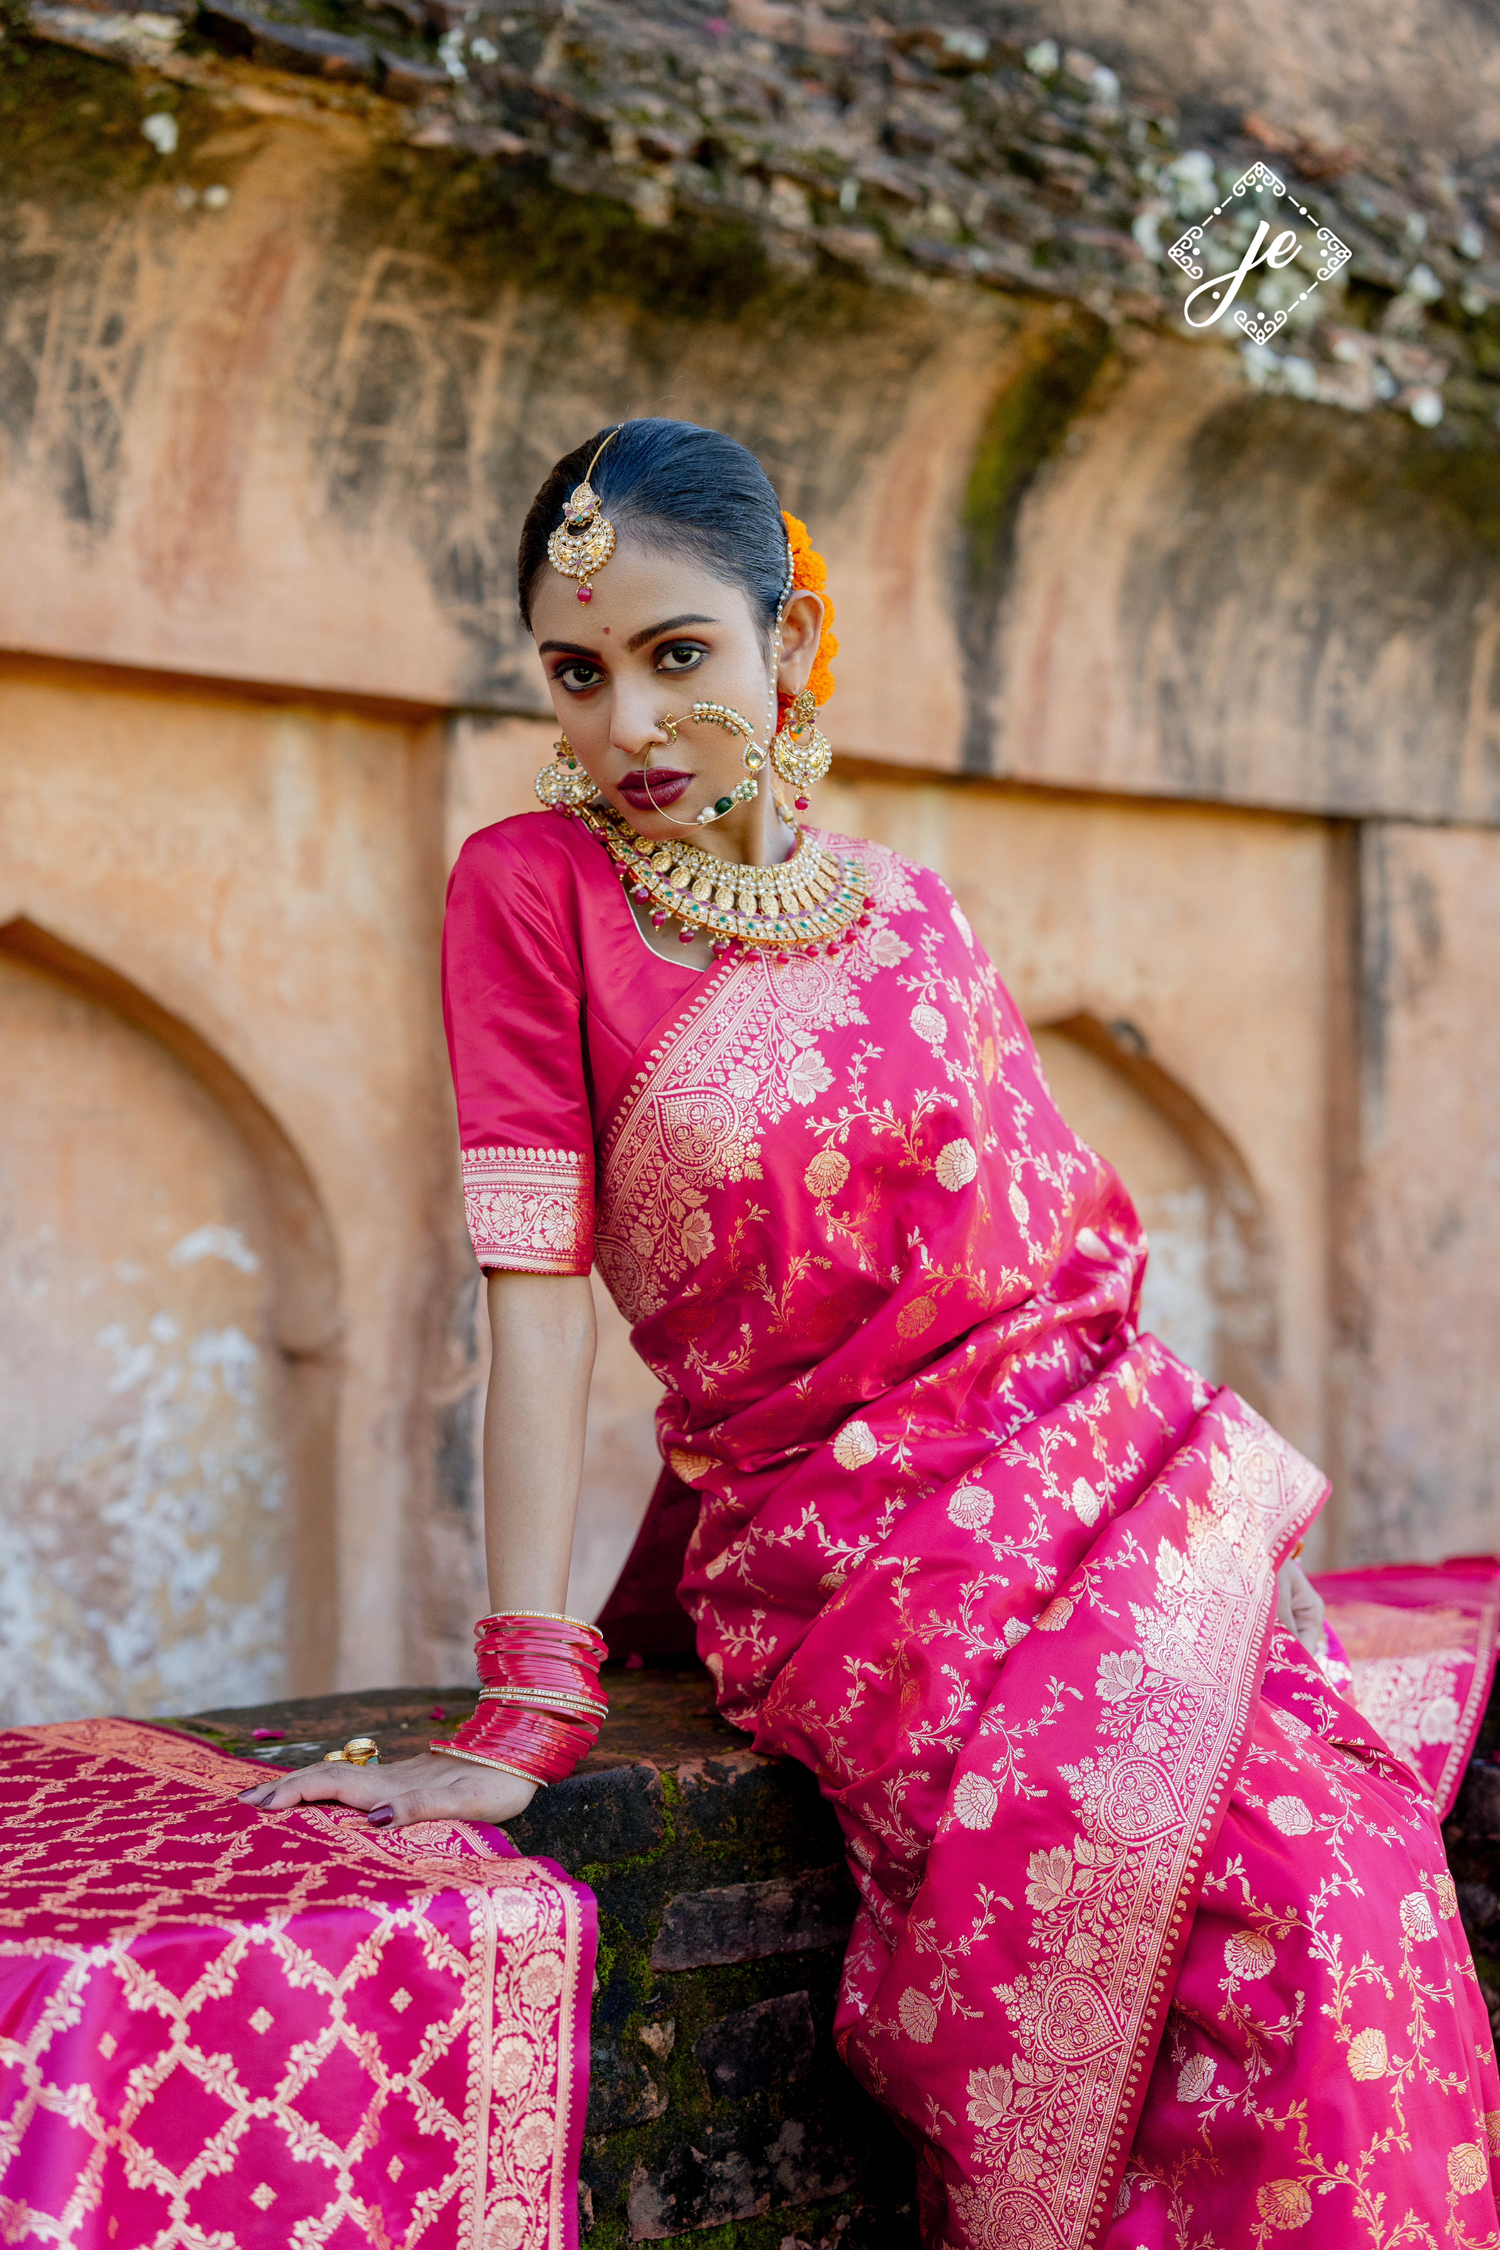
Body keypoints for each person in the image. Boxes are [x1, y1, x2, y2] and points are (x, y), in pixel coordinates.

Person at [241, 419, 1500, 2245]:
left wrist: (1230, 1542)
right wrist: (527, 1688)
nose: (626, 728)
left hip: (1099, 1479)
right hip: (849, 1554)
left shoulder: (913, 912)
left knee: (1356, 1869)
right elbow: (534, 1298)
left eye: (680, 659)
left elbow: (1063, 1267)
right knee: (1237, 1878)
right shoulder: (531, 897)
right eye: (577, 675)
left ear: (788, 648)